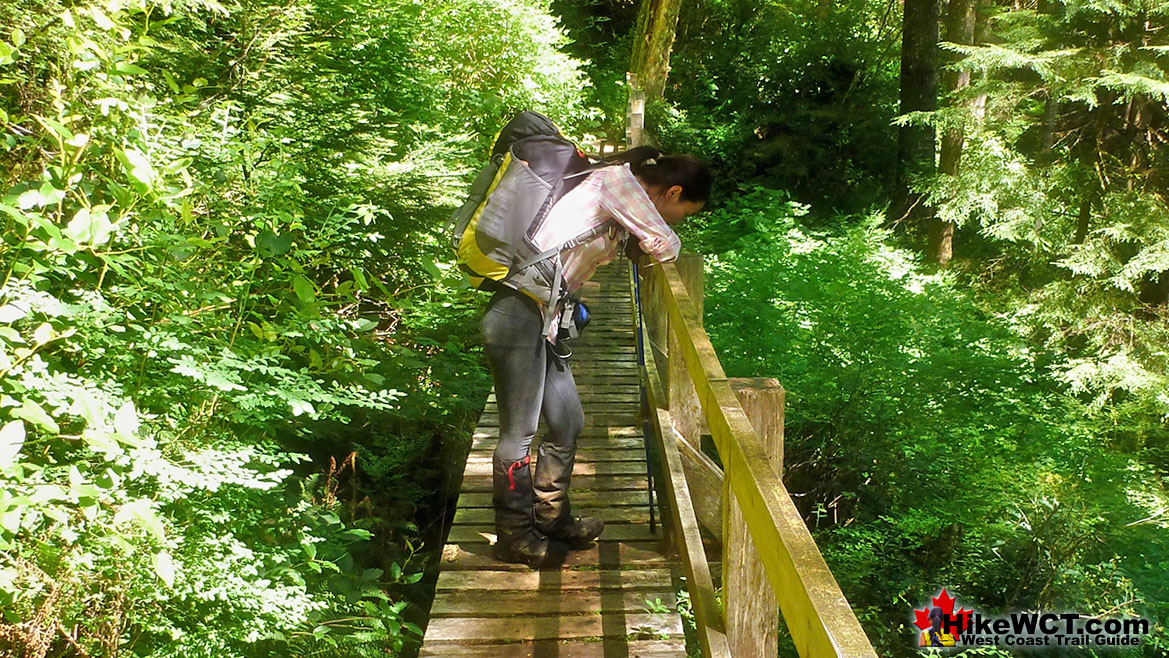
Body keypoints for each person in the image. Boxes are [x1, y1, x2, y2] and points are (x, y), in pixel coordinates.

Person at [480, 147, 712, 568]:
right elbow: (665, 244)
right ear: (672, 191)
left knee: (568, 420)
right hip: (516, 316)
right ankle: (514, 535)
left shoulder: (618, 193)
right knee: (519, 432)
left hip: (543, 318)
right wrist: (651, 238)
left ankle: (550, 517)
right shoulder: (618, 183)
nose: (680, 219)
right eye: (685, 211)